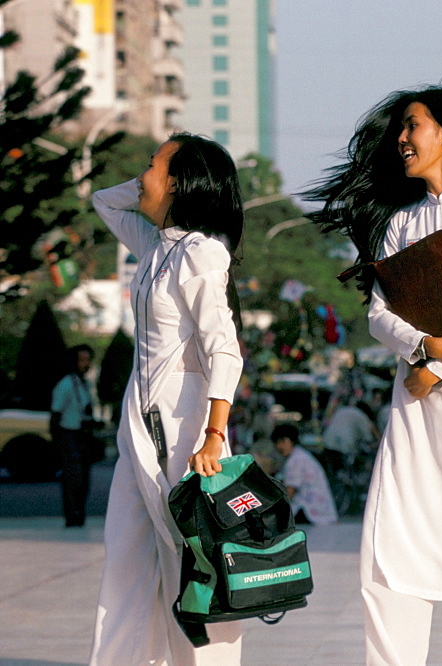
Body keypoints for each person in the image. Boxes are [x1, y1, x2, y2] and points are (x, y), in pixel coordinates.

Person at [307, 84, 442, 664]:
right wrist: (426, 347)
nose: (403, 139)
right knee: (388, 549)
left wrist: (435, 371)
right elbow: (379, 316)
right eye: (402, 129)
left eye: (414, 125)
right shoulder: (398, 223)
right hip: (413, 405)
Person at [89, 133, 244, 665]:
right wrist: (146, 186)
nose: (142, 173)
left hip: (184, 430)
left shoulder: (201, 253)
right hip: (140, 427)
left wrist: (214, 436)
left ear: (179, 181)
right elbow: (102, 201)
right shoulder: (157, 247)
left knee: (195, 568)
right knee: (127, 561)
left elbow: (225, 350)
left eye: (152, 165)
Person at [50, 344, 97, 527]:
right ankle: (72, 515)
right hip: (69, 435)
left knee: (83, 478)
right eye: (82, 360)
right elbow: (56, 414)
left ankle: (79, 513)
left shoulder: (84, 384)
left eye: (88, 360)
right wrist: (58, 443)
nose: (85, 364)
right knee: (73, 479)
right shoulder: (66, 384)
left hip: (82, 435)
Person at [272, 423, 338, 525]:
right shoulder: (301, 455)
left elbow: (290, 491)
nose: (279, 446)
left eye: (283, 441)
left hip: (310, 509)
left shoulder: (295, 460)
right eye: (277, 443)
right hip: (322, 509)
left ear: (292, 441)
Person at [319, 394, 378, 483]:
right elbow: (368, 439)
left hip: (328, 441)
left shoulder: (342, 409)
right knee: (344, 472)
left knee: (332, 470)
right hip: (343, 446)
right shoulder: (362, 416)